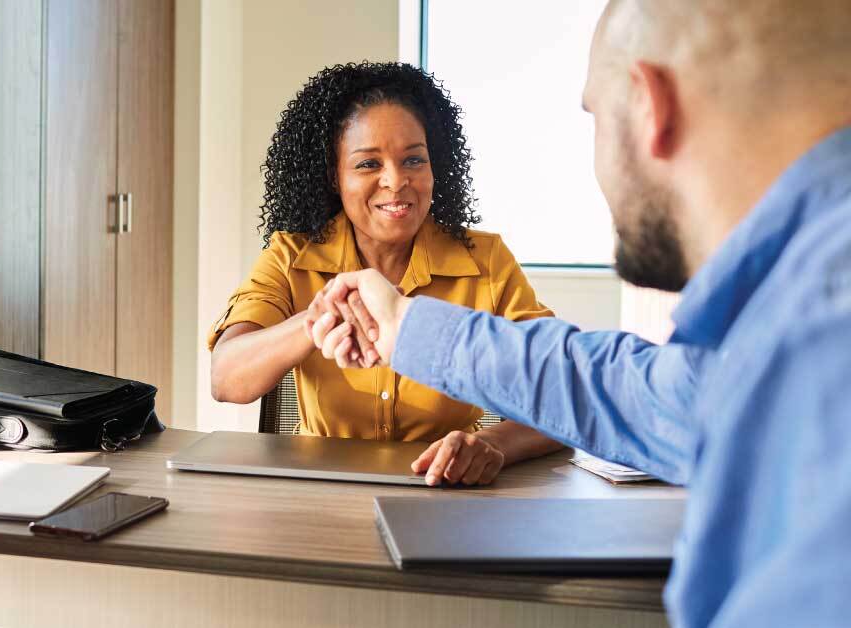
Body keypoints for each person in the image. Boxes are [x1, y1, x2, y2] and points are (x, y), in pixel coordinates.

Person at [309, 1, 851, 625]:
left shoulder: (823, 340)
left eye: (594, 116)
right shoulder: (786, 312)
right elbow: (629, 388)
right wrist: (404, 325)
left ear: (651, 107)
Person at [208, 62, 563, 486]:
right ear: (333, 178)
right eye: (367, 164)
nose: (396, 182)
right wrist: (317, 319)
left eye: (413, 159)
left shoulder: (485, 259)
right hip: (318, 493)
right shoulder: (291, 255)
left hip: (446, 493)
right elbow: (226, 379)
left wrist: (493, 444)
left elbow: (562, 394)